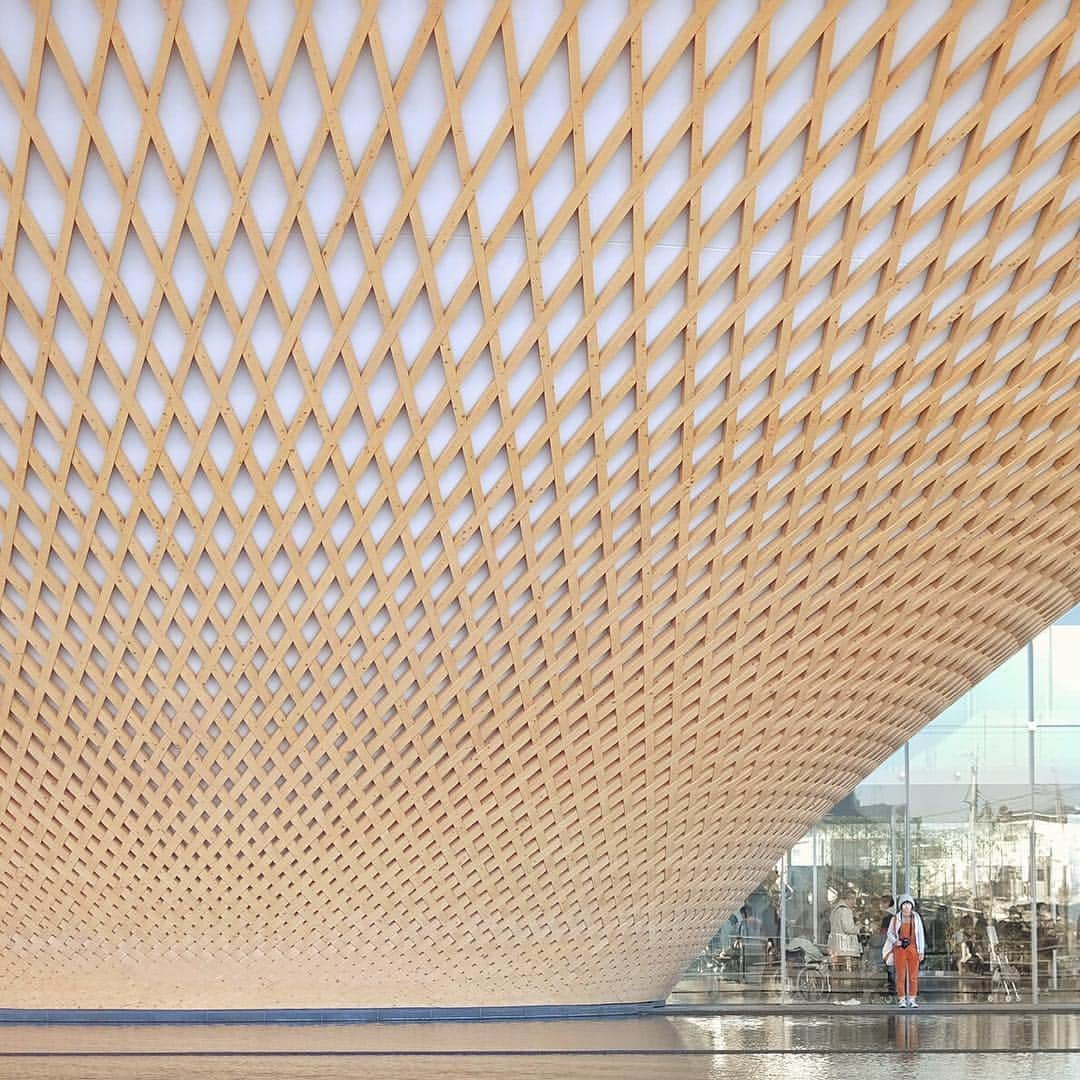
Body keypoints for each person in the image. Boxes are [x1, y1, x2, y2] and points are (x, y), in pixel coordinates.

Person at [886, 893, 926, 1007]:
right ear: (901, 906)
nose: (907, 907)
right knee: (900, 975)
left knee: (913, 975)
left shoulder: (916, 918)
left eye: (909, 904)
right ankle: (902, 999)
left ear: (912, 905)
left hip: (913, 948)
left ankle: (912, 999)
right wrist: (895, 941)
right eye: (904, 904)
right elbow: (889, 933)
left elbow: (920, 934)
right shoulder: (895, 918)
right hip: (900, 949)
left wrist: (921, 950)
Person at [879, 894, 896, 1000]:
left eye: (882, 903)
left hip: (888, 948)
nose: (880, 905)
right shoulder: (897, 915)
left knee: (890, 972)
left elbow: (883, 935)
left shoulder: (888, 917)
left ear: (886, 904)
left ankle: (891, 994)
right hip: (893, 949)